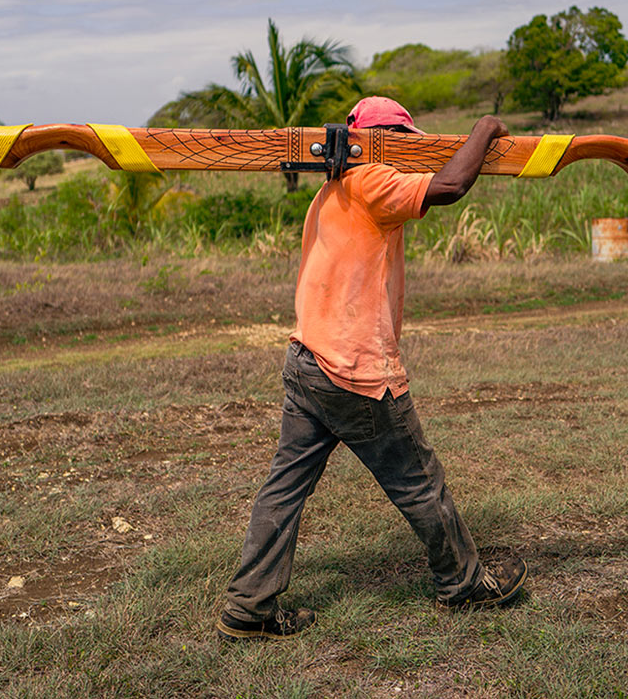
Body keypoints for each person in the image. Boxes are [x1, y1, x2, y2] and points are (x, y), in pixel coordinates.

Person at [215, 96, 528, 641]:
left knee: (284, 488)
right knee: (419, 482)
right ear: (384, 141)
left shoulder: (332, 187)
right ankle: (463, 583)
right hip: (354, 372)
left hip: (308, 360)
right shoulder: (372, 180)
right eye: (405, 142)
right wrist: (485, 127)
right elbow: (451, 186)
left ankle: (249, 607)